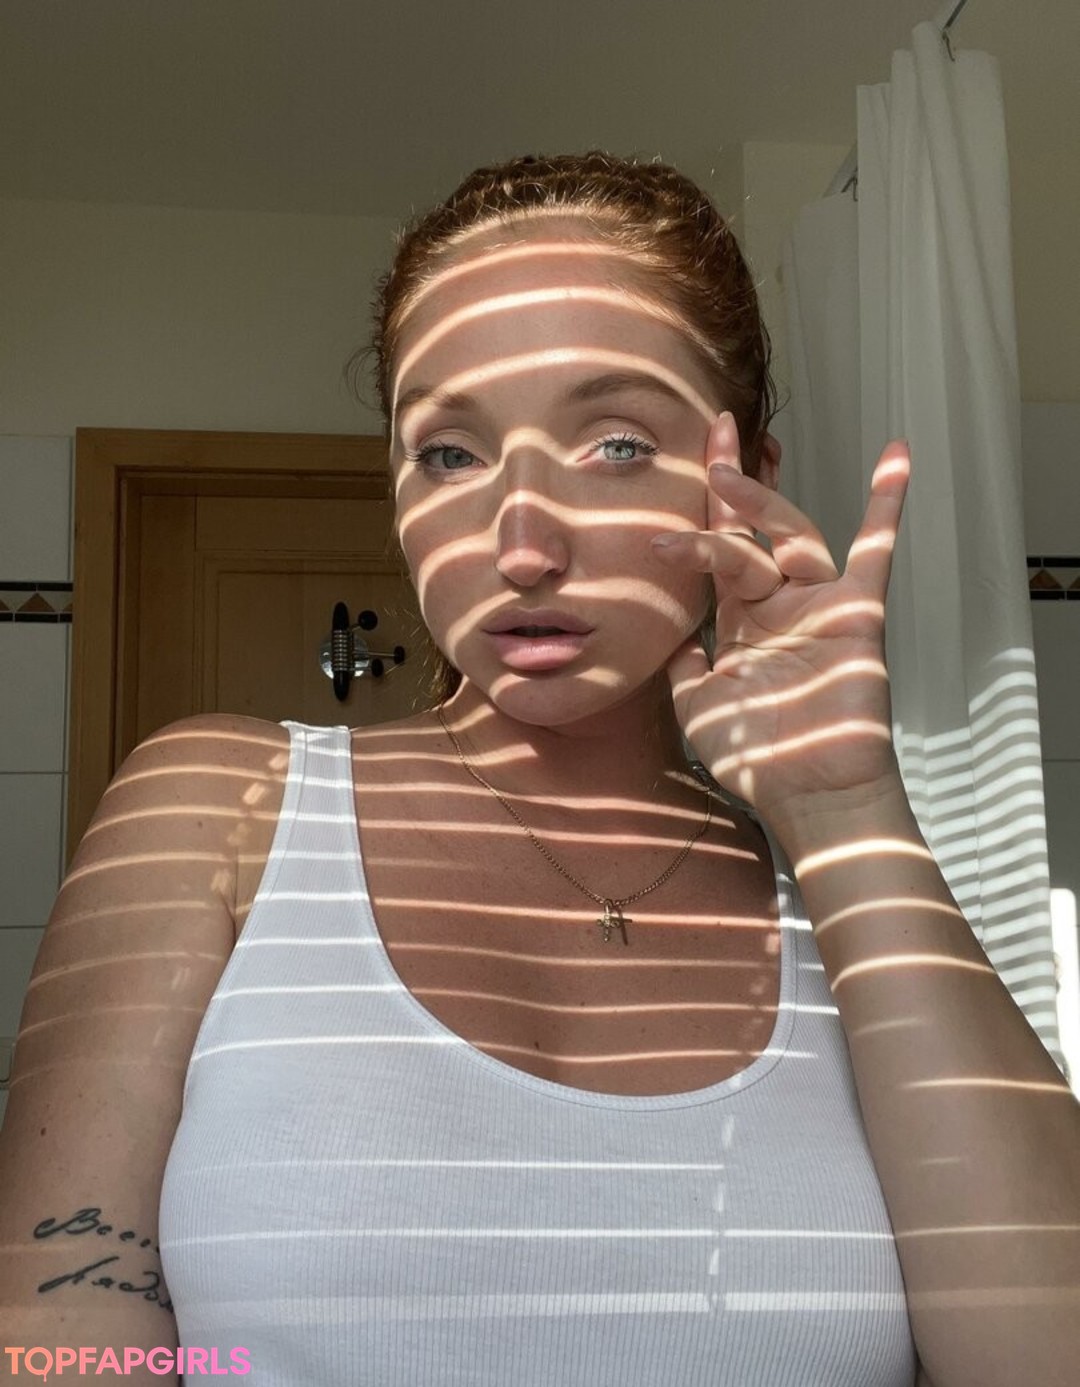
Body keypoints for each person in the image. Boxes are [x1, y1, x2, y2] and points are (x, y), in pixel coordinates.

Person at [0, 151, 1075, 1387]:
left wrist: (845, 808)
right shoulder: (223, 810)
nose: (520, 544)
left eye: (615, 442)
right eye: (449, 453)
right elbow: (59, 1330)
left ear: (749, 486)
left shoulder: (837, 909)